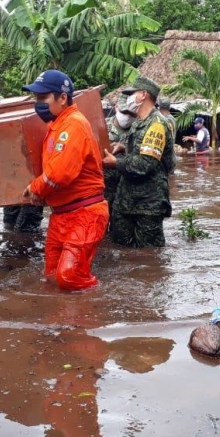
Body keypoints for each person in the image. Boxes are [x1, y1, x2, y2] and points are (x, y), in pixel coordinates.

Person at [21, 70, 109, 291]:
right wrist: (42, 196)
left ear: (62, 97)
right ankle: (61, 323)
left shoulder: (73, 125)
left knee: (68, 277)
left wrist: (35, 188)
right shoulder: (56, 126)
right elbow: (52, 172)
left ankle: (97, 311)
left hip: (84, 214)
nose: (38, 104)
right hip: (61, 215)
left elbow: (60, 174)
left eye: (43, 98)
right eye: (36, 98)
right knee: (51, 277)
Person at [102, 76, 175, 248]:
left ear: (143, 95)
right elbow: (138, 152)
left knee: (149, 257)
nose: (129, 99)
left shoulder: (156, 125)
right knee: (122, 251)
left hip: (147, 205)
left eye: (131, 94)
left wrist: (115, 163)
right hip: (127, 201)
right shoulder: (138, 123)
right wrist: (122, 148)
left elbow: (144, 164)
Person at [103, 94, 135, 214]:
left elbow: (143, 160)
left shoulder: (138, 130)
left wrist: (124, 149)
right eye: (124, 112)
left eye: (131, 114)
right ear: (116, 107)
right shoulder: (102, 126)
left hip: (127, 192)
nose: (127, 117)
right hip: (103, 190)